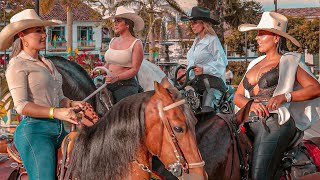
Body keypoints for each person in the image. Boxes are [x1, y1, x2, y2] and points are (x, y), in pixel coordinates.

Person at [0, 9, 97, 179]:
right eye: (38, 31)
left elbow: (59, 98)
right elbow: (22, 106)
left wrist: (73, 104)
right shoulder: (17, 65)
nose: (44, 35)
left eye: (44, 30)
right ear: (22, 35)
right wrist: (56, 112)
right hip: (34, 132)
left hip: (59, 131)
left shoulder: (48, 63)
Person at [234, 12, 320, 180]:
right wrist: (250, 104)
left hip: (275, 122)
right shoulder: (253, 63)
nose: (257, 38)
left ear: (276, 38)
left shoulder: (289, 61)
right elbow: (237, 96)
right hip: (248, 121)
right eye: (257, 33)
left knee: (259, 175)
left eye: (262, 33)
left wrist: (285, 97)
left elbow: (315, 88)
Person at [178, 6, 228, 113]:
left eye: (195, 22)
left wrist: (204, 69)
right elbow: (193, 64)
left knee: (206, 112)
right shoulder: (196, 41)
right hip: (197, 84)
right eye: (191, 23)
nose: (192, 25)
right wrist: (186, 74)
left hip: (212, 84)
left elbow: (222, 62)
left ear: (203, 23)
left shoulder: (212, 39)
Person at [91, 6, 144, 103]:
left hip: (125, 86)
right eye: (114, 21)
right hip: (107, 83)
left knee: (122, 114)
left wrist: (117, 77)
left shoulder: (136, 43)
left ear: (127, 24)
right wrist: (99, 72)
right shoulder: (113, 40)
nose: (115, 24)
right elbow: (109, 64)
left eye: (118, 21)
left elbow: (134, 69)